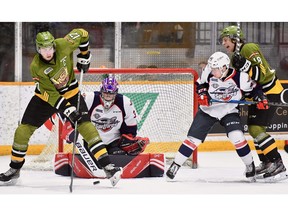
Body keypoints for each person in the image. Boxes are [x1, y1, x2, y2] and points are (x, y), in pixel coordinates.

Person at [0, 29, 122, 186]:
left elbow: (82, 33)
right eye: (43, 49)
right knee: (22, 131)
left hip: (71, 93)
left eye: (50, 47)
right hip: (45, 99)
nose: (48, 52)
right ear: (38, 48)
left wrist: (84, 55)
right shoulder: (36, 67)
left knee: (87, 127)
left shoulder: (64, 44)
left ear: (54, 45)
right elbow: (51, 95)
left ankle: (108, 167)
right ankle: (14, 169)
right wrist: (69, 110)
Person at [166, 51, 266, 182]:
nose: (212, 71)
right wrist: (202, 94)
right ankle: (175, 165)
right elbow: (200, 84)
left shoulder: (240, 77)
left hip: (228, 110)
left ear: (224, 67)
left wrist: (260, 97)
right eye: (212, 68)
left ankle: (249, 165)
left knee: (237, 137)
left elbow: (255, 88)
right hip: (209, 110)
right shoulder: (208, 71)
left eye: (215, 69)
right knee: (192, 140)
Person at [219, 25, 287, 180]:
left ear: (235, 39)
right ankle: (267, 162)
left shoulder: (248, 48)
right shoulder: (234, 57)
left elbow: (264, 74)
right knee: (254, 128)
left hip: (269, 93)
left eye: (225, 39)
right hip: (257, 96)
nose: (223, 43)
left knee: (256, 128)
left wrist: (247, 66)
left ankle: (278, 163)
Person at [63, 75, 150, 156]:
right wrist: (69, 126)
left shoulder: (125, 102)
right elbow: (71, 108)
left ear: (116, 93)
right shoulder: (89, 98)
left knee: (118, 155)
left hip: (114, 140)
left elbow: (131, 125)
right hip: (91, 140)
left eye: (111, 93)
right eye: (105, 92)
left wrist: (129, 138)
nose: (108, 95)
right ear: (101, 91)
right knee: (95, 155)